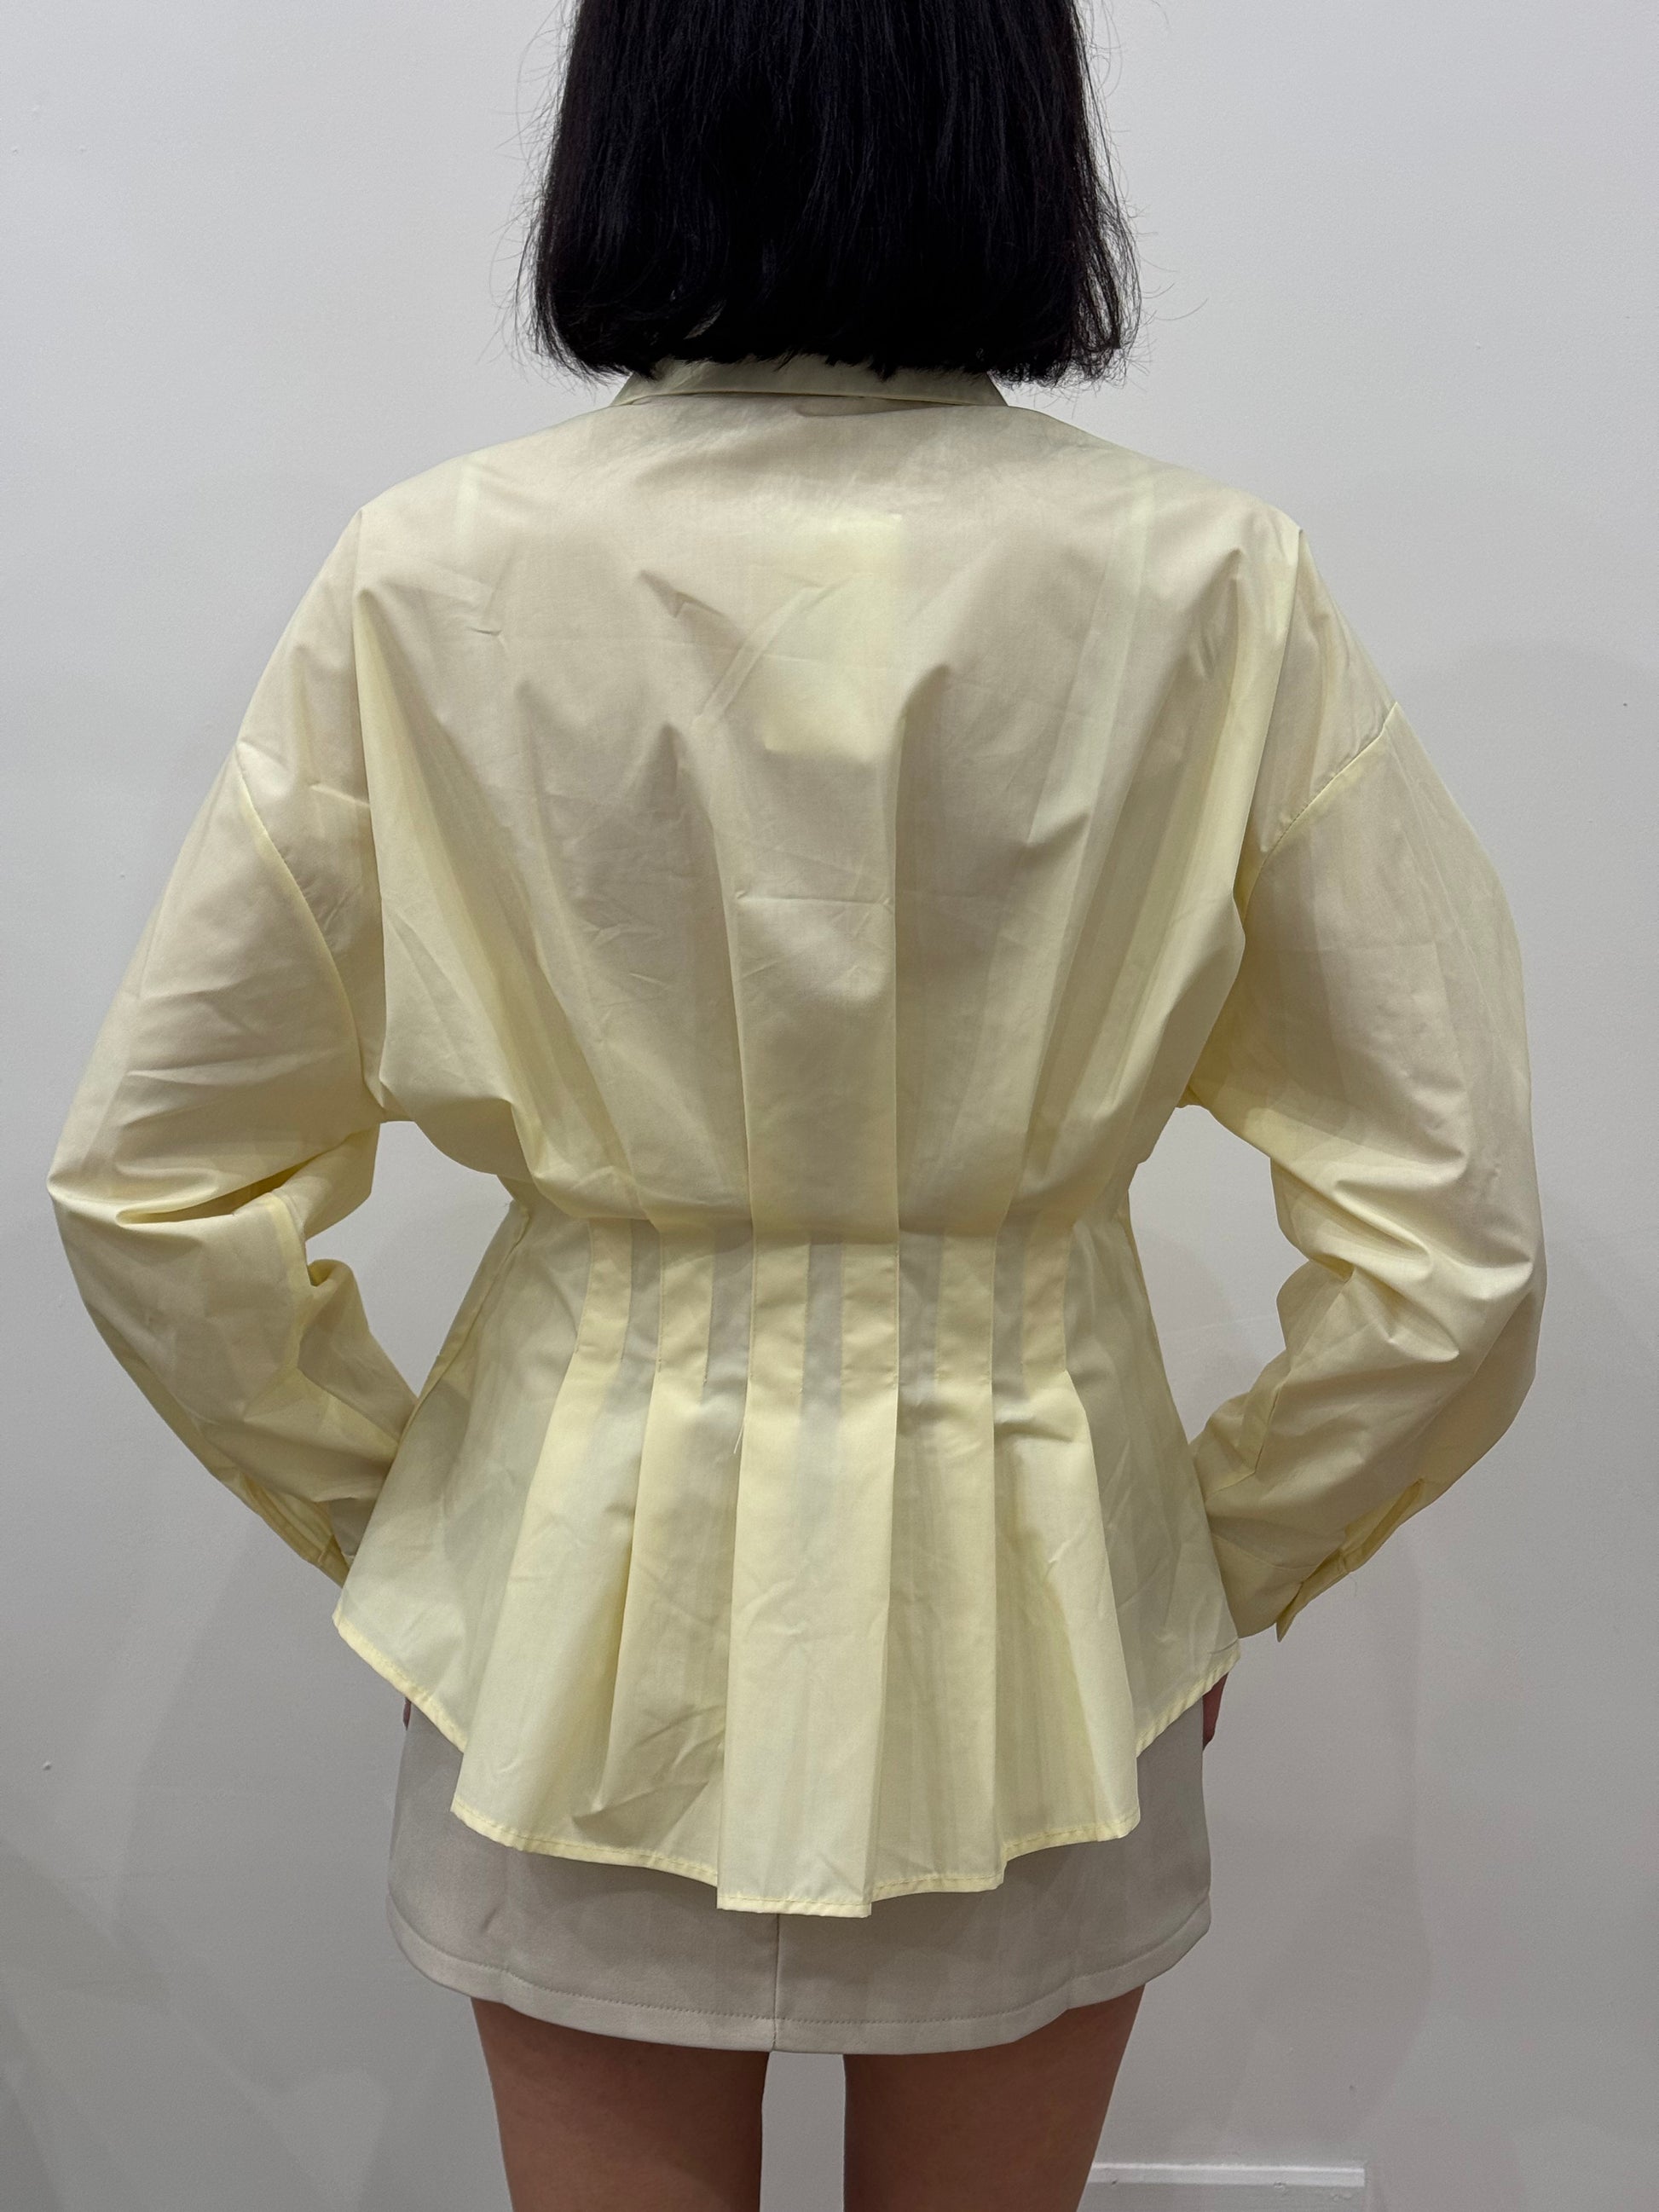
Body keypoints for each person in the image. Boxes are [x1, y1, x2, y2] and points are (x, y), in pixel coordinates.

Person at [47, 0, 1546, 2205]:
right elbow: (1457, 1241)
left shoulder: (432, 575)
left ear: (633, 103)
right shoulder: (1209, 589)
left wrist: (428, 1525)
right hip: (1037, 1617)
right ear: (1012, 113)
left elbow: (153, 1182)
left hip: (575, 1611)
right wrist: (1205, 1561)